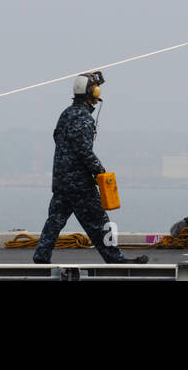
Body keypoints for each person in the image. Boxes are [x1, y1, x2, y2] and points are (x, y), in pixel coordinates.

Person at [33, 72, 148, 265]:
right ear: (91, 92)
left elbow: (59, 141)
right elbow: (84, 151)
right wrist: (100, 171)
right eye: (97, 88)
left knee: (55, 220)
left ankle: (41, 255)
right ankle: (115, 258)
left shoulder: (66, 114)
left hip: (61, 180)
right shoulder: (84, 118)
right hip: (80, 184)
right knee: (100, 223)